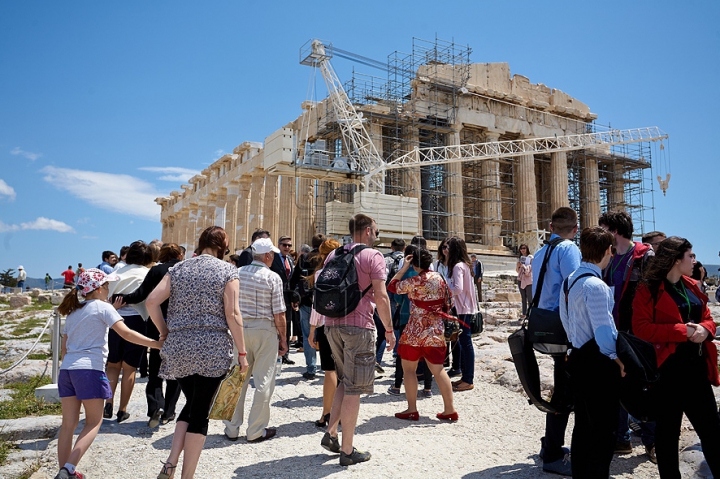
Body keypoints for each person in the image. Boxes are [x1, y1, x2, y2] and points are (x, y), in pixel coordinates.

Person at [146, 226, 248, 479]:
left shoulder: (178, 268)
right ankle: (186, 476)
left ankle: (170, 463)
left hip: (179, 346)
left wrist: (165, 331)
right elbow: (233, 314)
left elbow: (151, 301)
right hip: (211, 347)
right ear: (222, 245)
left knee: (192, 404)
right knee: (200, 413)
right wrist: (242, 352)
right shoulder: (227, 270)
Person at [54, 269, 161, 479]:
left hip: (67, 370)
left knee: (68, 424)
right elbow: (127, 333)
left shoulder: (73, 311)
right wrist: (155, 344)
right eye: (107, 285)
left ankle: (64, 471)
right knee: (94, 422)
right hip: (89, 369)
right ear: (100, 288)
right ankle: (68, 469)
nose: (109, 289)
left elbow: (64, 348)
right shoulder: (104, 307)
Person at [632, 236, 720, 479]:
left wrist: (706, 330)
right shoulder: (647, 288)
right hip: (666, 373)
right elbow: (641, 328)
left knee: (712, 432)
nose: (694, 261)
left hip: (697, 370)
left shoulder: (691, 285)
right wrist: (684, 332)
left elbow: (708, 319)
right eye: (690, 256)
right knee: (667, 435)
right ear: (675, 259)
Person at [319, 213, 395, 466]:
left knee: (344, 380)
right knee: (354, 389)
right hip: (359, 326)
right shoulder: (373, 256)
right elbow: (382, 297)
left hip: (331, 324)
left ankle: (331, 433)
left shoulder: (334, 254)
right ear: (366, 231)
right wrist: (390, 330)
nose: (377, 233)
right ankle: (348, 451)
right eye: (375, 229)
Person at [561, 227, 624, 478]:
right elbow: (604, 331)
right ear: (608, 250)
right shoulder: (596, 285)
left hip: (577, 357)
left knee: (583, 427)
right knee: (604, 428)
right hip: (597, 363)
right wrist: (617, 359)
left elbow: (564, 320)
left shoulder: (569, 280)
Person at [599, 210, 655, 459]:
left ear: (614, 231)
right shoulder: (609, 256)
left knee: (644, 386)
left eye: (602, 229)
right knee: (616, 384)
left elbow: (655, 293)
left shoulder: (645, 256)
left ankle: (653, 441)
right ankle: (621, 439)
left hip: (638, 332)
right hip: (615, 328)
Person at [531, 206, 581, 476]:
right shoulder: (569, 249)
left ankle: (550, 446)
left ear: (550, 227)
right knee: (565, 391)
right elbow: (574, 287)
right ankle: (552, 452)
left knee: (563, 387)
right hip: (565, 328)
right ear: (576, 229)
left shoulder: (541, 252)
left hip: (545, 324)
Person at [224, 238, 288, 442]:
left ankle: (232, 427)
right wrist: (283, 339)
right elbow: (279, 314)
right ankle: (255, 430)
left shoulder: (236, 273)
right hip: (264, 329)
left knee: (237, 377)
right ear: (268, 256)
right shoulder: (273, 277)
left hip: (239, 329)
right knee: (263, 380)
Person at [115, 243, 185, 427]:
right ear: (180, 255)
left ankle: (156, 406)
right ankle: (169, 411)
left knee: (156, 367)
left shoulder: (156, 271)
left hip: (157, 322)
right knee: (176, 369)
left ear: (161, 255)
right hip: (181, 324)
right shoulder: (185, 270)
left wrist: (121, 298)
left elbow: (140, 295)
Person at [387, 247, 457, 422]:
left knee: (409, 370)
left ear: (415, 264)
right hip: (435, 330)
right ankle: (449, 410)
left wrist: (404, 267)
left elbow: (392, 286)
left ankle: (412, 409)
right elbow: (450, 301)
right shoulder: (440, 279)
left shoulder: (414, 280)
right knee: (439, 370)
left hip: (415, 331)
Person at [104, 240, 153, 422]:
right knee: (130, 368)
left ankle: (108, 402)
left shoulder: (116, 271)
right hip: (137, 320)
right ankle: (122, 409)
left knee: (113, 365)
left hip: (114, 319)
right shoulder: (147, 273)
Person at [387, 244, 433, 398]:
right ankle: (427, 388)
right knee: (426, 354)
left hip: (407, 317)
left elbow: (394, 292)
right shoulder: (433, 276)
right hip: (428, 320)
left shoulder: (408, 276)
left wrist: (404, 268)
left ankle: (397, 386)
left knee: (403, 354)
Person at [308, 238, 342, 427]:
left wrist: (312, 329)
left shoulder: (321, 273)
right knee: (344, 373)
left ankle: (327, 414)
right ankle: (344, 413)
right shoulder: (349, 271)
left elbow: (317, 306)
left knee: (330, 370)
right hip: (348, 325)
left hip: (327, 325)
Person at [445, 236, 479, 393]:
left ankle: (468, 379)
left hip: (462, 308)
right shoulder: (465, 265)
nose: (446, 250)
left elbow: (457, 288)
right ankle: (466, 377)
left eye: (448, 247)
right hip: (466, 308)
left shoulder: (458, 266)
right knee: (464, 342)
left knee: (465, 343)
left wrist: (445, 288)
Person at [291, 233, 325, 380]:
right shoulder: (326, 258)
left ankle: (311, 369)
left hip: (306, 301)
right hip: (324, 302)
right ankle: (327, 366)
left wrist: (293, 297)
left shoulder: (304, 258)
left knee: (307, 335)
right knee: (325, 335)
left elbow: (294, 278)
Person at [515, 245, 533, 319]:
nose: (522, 250)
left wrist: (524, 266)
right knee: (523, 298)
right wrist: (518, 266)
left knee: (530, 298)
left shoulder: (530, 257)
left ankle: (530, 313)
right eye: (521, 248)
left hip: (528, 280)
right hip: (521, 279)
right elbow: (517, 271)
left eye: (524, 248)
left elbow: (531, 268)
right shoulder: (520, 259)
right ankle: (524, 313)